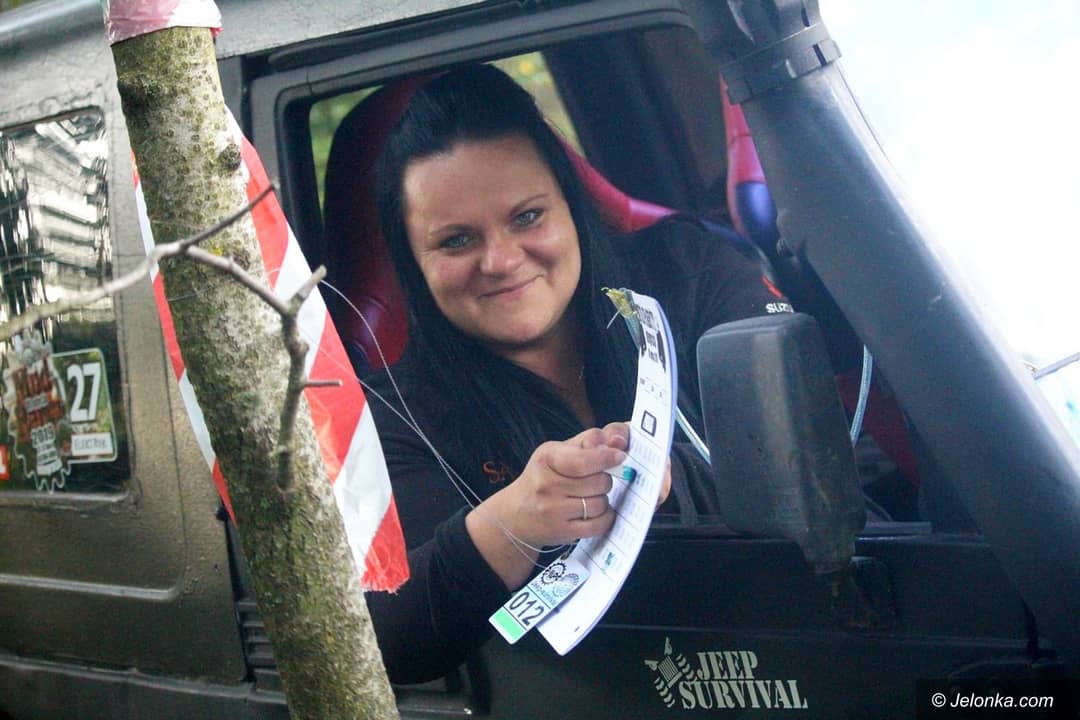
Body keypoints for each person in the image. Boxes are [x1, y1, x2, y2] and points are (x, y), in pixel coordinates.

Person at [362, 63, 792, 684]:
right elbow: (386, 640)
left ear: (571, 204)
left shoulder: (690, 272)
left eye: (527, 217)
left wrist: (670, 478)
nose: (501, 260)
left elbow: (810, 456)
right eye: (456, 241)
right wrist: (513, 521)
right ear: (412, 261)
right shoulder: (396, 414)